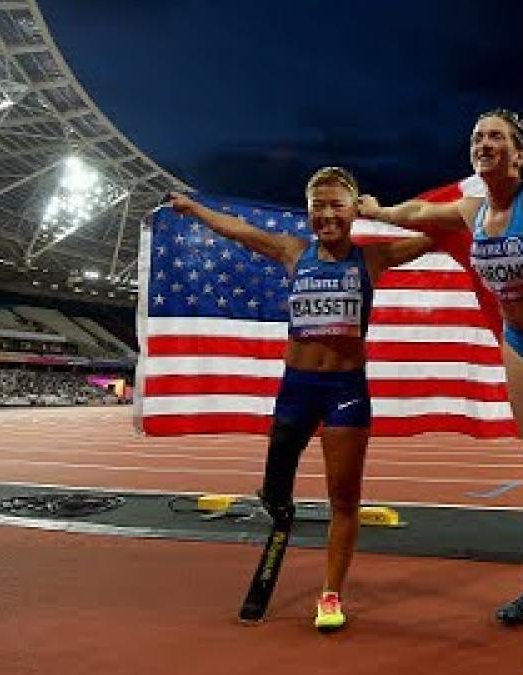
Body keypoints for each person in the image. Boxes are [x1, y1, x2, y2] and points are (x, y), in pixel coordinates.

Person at [358, 109, 523, 669]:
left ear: (521, 153)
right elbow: (418, 212)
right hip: (520, 348)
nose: (482, 143)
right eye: (476, 137)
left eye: (495, 136)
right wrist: (377, 210)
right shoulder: (471, 210)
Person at [166, 167, 434, 631]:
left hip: (346, 393)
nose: (327, 214)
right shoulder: (294, 252)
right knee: (274, 490)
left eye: (337, 205)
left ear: (353, 210)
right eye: (318, 206)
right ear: (308, 211)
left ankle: (330, 595)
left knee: (344, 500)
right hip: (297, 389)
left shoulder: (372, 260)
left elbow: (440, 230)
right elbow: (241, 231)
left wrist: (383, 212)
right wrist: (192, 208)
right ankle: (279, 506)